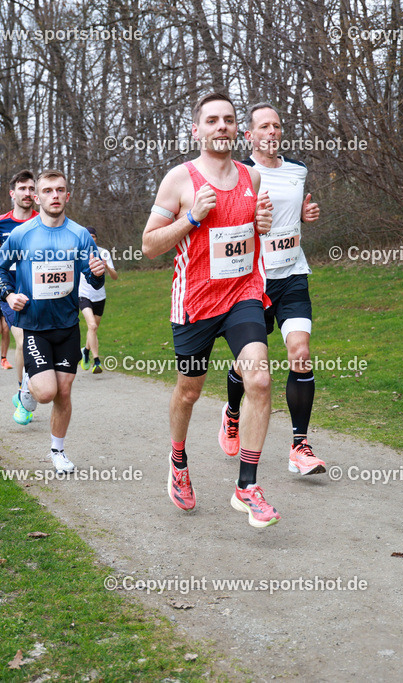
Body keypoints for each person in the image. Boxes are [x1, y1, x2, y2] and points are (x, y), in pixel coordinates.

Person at [142, 92, 279, 528]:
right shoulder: (179, 181)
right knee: (189, 391)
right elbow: (149, 246)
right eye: (212, 120)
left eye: (228, 120)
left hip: (243, 294)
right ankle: (178, 460)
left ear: (239, 130)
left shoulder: (251, 178)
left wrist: (262, 227)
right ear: (196, 130)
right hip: (194, 302)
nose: (221, 126)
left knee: (259, 378)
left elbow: (249, 237)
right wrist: (192, 219)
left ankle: (247, 487)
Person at [0, 169, 105, 472]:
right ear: (37, 197)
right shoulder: (22, 234)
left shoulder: (79, 234)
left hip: (67, 326)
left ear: (67, 195)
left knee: (64, 392)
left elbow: (92, 282)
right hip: (35, 326)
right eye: (48, 191)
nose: (54, 196)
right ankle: (27, 384)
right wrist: (8, 295)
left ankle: (57, 451)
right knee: (46, 393)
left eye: (60, 190)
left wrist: (97, 272)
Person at [237, 102, 326, 476]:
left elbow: (292, 213)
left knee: (300, 352)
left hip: (292, 275)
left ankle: (299, 445)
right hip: (254, 280)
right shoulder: (240, 174)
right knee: (251, 363)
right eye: (264, 127)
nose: (272, 132)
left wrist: (303, 217)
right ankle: (231, 414)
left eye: (277, 126)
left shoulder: (298, 169)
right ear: (250, 136)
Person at [0, 170, 39, 421]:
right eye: (22, 188)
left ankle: (25, 390)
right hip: (9, 290)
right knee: (23, 339)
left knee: (36, 340)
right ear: (12, 193)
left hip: (39, 290)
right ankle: (23, 394)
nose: (27, 193)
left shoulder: (45, 221)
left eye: (31, 189)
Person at [78, 227, 118, 374]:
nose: (91, 239)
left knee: (92, 329)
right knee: (92, 326)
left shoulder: (104, 253)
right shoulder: (78, 252)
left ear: (96, 238)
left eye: (93, 236)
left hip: (100, 296)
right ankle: (96, 361)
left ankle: (86, 351)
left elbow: (115, 277)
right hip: (83, 295)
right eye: (88, 236)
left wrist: (107, 267)